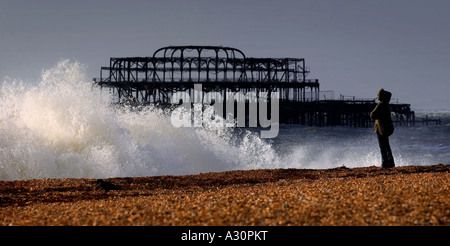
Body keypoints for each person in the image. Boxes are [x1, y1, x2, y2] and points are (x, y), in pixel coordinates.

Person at [370, 89, 395, 168]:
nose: (377, 96)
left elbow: (372, 115)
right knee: (386, 145)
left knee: (382, 147)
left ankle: (385, 163)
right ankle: (391, 162)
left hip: (381, 128)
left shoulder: (381, 104)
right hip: (386, 127)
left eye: (378, 94)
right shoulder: (387, 105)